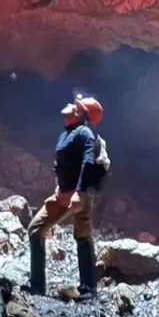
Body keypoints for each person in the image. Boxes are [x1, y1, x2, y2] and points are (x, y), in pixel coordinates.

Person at [23, 90, 110, 301]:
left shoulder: (84, 133)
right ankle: (37, 285)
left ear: (83, 114)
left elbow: (88, 161)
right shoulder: (67, 134)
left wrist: (79, 192)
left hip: (78, 195)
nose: (73, 107)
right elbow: (59, 166)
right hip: (62, 195)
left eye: (78, 107)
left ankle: (88, 289)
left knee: (82, 236)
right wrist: (58, 187)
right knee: (35, 229)